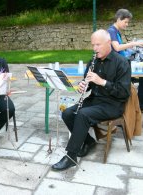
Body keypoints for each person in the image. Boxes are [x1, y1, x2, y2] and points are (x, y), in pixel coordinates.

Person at [51, 29, 131, 171]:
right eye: (93, 45)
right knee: (67, 113)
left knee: (83, 114)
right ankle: (88, 141)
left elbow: (124, 93)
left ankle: (71, 156)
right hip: (95, 100)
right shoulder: (93, 61)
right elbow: (88, 85)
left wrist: (102, 82)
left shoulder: (122, 63)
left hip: (113, 104)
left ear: (108, 43)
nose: (94, 48)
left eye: (98, 45)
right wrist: (83, 86)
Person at [107, 8, 143, 111]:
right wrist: (133, 44)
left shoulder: (116, 32)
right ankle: (138, 105)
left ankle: (139, 105)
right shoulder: (111, 31)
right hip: (117, 68)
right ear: (118, 19)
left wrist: (129, 46)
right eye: (125, 22)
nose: (127, 24)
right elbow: (117, 47)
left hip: (121, 64)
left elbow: (119, 48)